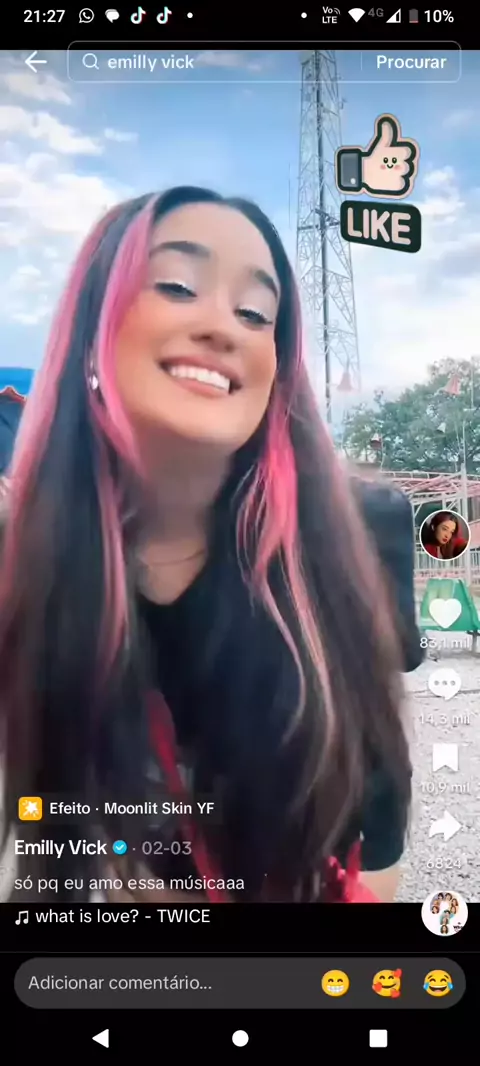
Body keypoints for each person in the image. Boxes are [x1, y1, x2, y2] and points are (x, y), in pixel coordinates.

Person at [0, 186, 416, 906]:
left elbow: (376, 815)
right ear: (91, 331)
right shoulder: (21, 559)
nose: (223, 327)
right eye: (176, 285)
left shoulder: (359, 527)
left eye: (255, 313)